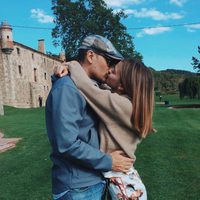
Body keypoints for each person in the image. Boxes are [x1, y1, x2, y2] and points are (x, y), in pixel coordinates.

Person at [45, 35, 133, 200]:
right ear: (91, 56)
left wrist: (69, 65)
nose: (111, 68)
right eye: (109, 61)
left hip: (88, 183)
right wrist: (109, 161)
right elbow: (67, 144)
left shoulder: (89, 88)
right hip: (78, 188)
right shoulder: (68, 88)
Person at [55, 58, 154, 200]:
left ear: (121, 86)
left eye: (113, 71)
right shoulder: (128, 102)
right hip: (123, 177)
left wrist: (72, 64)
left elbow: (87, 88)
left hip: (122, 182)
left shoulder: (122, 105)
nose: (108, 70)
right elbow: (101, 87)